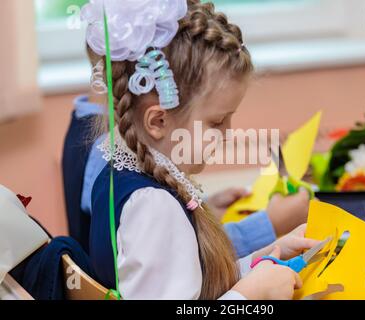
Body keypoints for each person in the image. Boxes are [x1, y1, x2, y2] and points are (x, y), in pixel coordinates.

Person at [83, 0, 318, 299]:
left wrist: (264, 259)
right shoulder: (154, 207)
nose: (228, 133)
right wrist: (250, 296)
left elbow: (190, 284)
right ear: (158, 120)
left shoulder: (121, 174)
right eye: (217, 121)